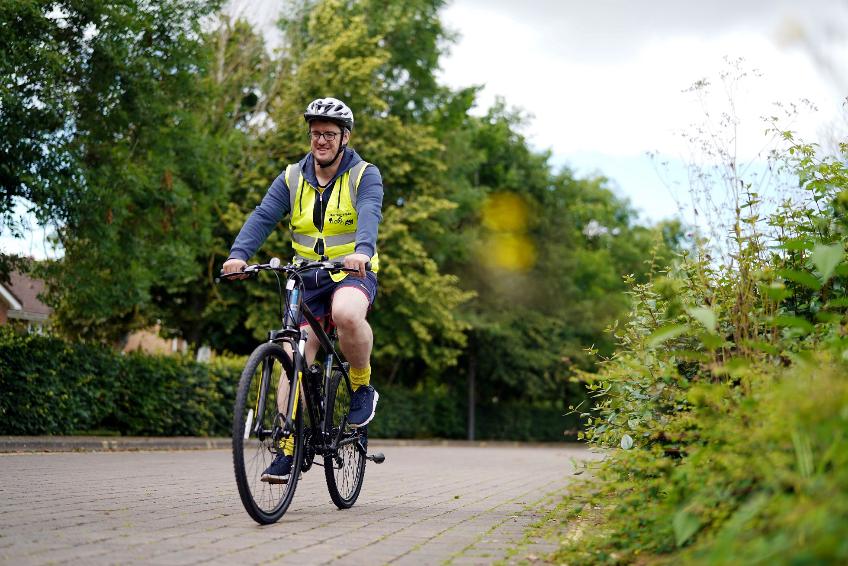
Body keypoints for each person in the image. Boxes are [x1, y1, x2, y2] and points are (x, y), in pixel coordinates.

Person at [222, 97, 382, 483]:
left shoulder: (364, 175)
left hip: (351, 273)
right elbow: (263, 215)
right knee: (292, 353)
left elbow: (370, 212)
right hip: (307, 276)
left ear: (345, 137)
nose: (321, 141)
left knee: (345, 314)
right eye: (315, 134)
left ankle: (361, 386)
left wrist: (362, 252)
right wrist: (238, 256)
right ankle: (287, 446)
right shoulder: (292, 176)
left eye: (329, 134)